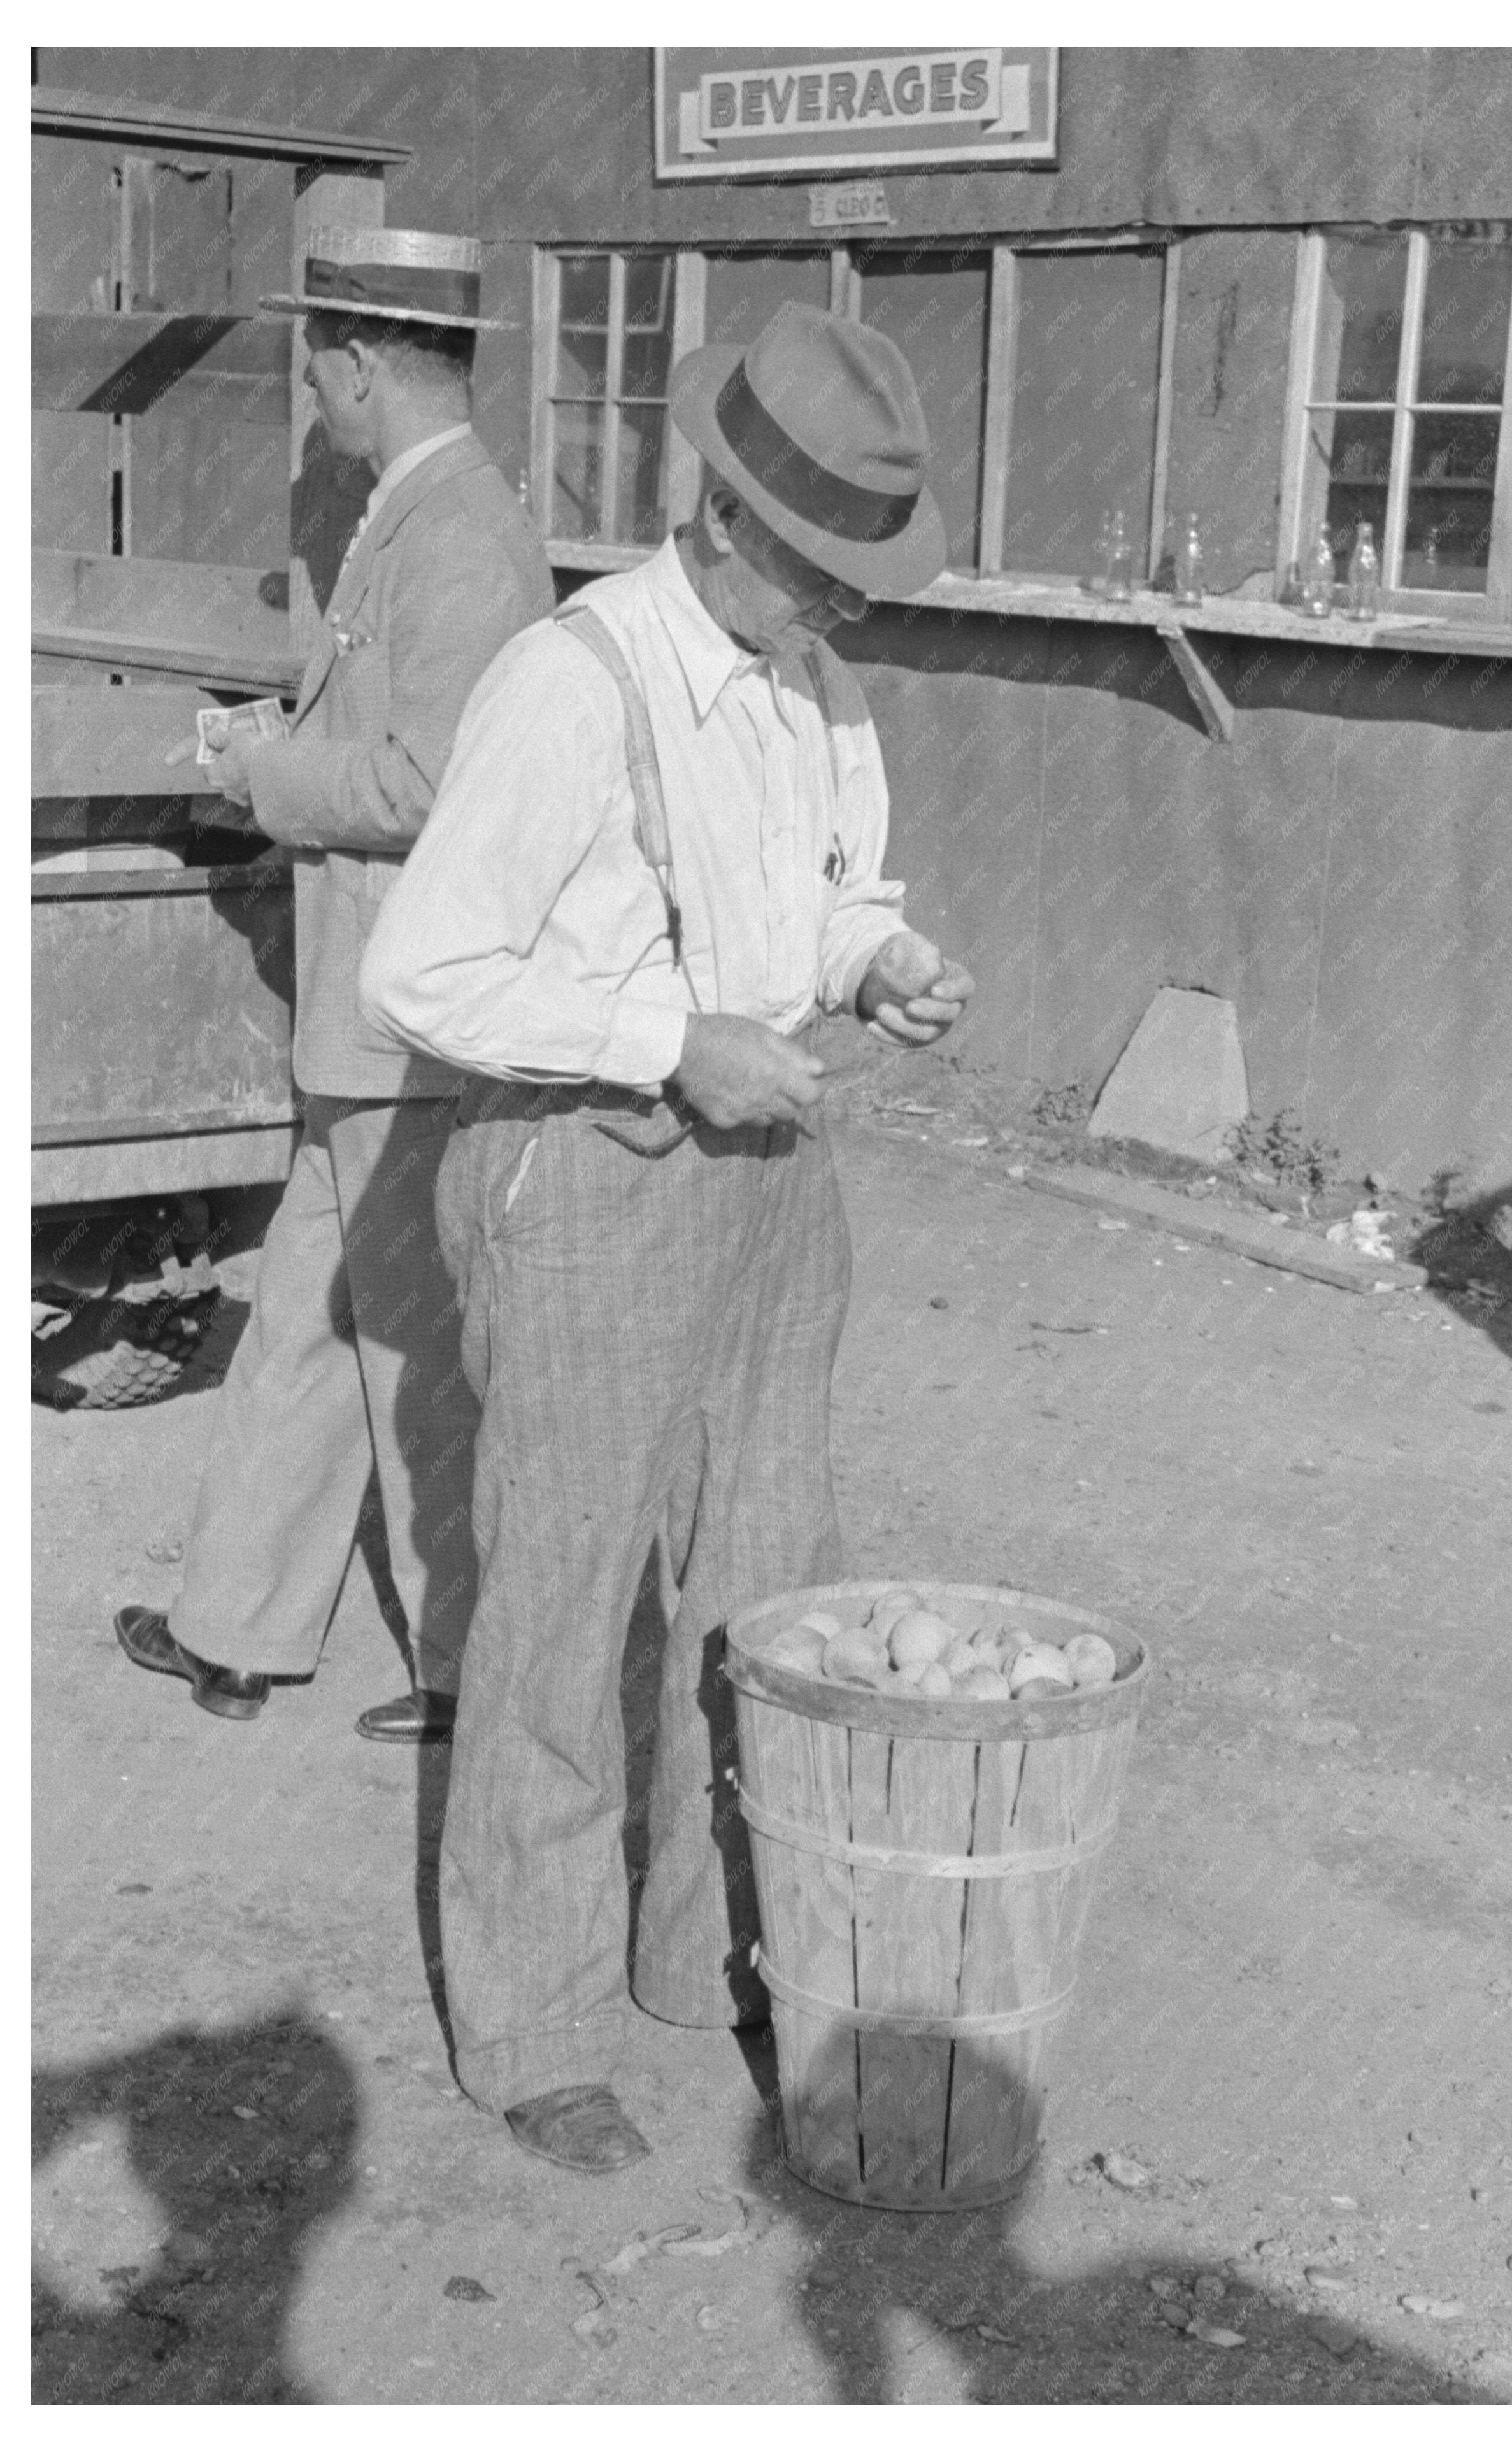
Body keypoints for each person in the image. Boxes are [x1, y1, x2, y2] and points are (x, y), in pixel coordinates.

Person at [359, 301, 975, 2168]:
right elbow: (423, 969)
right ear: (717, 514)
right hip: (591, 1171)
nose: (842, 611)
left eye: (858, 581)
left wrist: (883, 963)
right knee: (555, 1602)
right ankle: (534, 2024)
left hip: (773, 1179)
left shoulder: (816, 683)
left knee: (762, 1590)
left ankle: (703, 1956)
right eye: (819, 572)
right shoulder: (572, 680)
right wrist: (661, 1040)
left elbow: (828, 890)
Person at [115, 227, 555, 1743]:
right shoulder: (414, 511)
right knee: (304, 1314)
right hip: (361, 1016)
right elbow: (375, 715)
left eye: (317, 355)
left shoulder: (461, 536)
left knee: (412, 1343)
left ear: (363, 364)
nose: (309, 380)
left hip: (411, 1014)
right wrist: (276, 729)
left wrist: (262, 772)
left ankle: (469, 1664)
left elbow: (436, 779)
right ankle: (233, 1626)